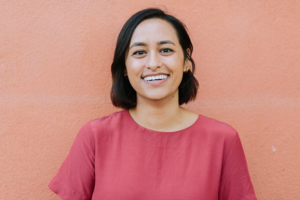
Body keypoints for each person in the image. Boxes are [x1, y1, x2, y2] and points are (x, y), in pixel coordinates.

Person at [49, 8, 257, 200]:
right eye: (139, 52)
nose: (153, 63)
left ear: (186, 61)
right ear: (124, 66)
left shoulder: (222, 140)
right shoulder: (95, 136)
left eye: (165, 50)